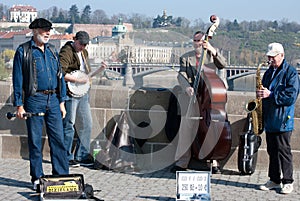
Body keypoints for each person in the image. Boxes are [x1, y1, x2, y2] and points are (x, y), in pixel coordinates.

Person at [12, 18, 69, 191]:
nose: (48, 33)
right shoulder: (24, 51)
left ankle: (61, 176)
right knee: (35, 141)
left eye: (49, 30)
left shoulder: (52, 50)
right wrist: (19, 105)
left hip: (52, 100)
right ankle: (37, 177)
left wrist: (62, 101)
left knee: (58, 140)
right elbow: (18, 81)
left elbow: (60, 77)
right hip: (34, 100)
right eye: (44, 30)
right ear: (35, 31)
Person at [170, 31, 227, 174]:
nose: (197, 43)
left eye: (200, 41)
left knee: (213, 128)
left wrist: (213, 50)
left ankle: (213, 161)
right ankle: (182, 162)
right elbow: (181, 75)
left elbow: (223, 64)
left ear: (205, 42)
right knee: (185, 127)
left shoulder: (210, 56)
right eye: (195, 41)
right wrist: (187, 87)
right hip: (192, 98)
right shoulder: (185, 58)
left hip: (210, 98)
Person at [59, 31, 107, 167]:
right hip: (70, 93)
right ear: (75, 40)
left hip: (83, 93)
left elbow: (87, 75)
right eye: (81, 44)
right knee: (69, 124)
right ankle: (66, 156)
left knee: (87, 124)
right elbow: (61, 72)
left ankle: (81, 155)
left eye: (85, 45)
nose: (83, 47)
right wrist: (76, 80)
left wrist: (100, 70)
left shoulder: (84, 54)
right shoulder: (66, 51)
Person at [258, 42, 299, 194]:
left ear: (282, 55)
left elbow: (291, 96)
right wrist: (261, 93)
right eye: (269, 57)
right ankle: (274, 179)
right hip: (270, 117)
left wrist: (271, 95)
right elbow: (265, 89)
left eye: (273, 57)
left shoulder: (291, 72)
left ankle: (288, 181)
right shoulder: (269, 72)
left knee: (284, 150)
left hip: (283, 118)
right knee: (272, 150)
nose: (270, 59)